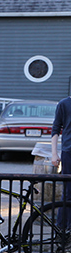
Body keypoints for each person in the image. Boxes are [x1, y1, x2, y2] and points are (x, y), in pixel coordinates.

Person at [51, 96, 71, 227]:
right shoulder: (64, 104)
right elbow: (56, 128)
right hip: (69, 152)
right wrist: (54, 153)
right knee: (68, 192)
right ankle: (62, 231)